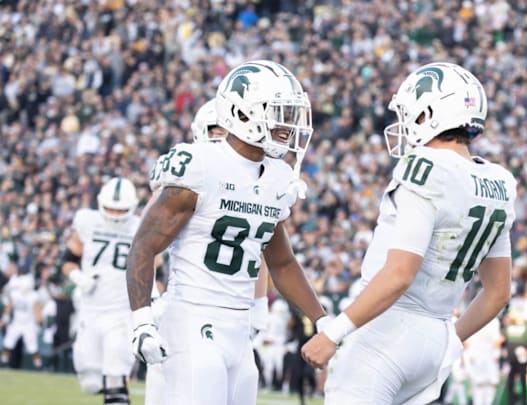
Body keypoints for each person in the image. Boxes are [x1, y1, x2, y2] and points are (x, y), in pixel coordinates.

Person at [301, 62, 516, 404]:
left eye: (410, 114)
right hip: (436, 338)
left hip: (387, 331)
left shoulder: (425, 167)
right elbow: (498, 292)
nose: (404, 124)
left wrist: (335, 333)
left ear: (431, 114)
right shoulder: (499, 181)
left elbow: (400, 273)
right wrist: (450, 340)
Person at [126, 60, 327, 405]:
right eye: (279, 112)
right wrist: (142, 320)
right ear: (243, 113)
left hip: (239, 327)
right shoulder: (200, 164)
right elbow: (143, 246)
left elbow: (282, 264)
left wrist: (323, 321)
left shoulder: (278, 177)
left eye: (290, 113)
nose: (288, 124)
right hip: (192, 319)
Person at [142, 97, 232, 405]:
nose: (222, 139)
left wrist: (258, 306)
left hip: (230, 310)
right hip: (184, 303)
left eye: (228, 132)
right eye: (216, 131)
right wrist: (152, 298)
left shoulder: (248, 183)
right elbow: (146, 244)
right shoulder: (187, 178)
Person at [61, 177, 140, 404]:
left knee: (115, 374)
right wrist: (77, 276)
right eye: (111, 209)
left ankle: (118, 392)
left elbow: (155, 268)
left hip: (122, 309)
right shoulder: (87, 222)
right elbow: (68, 260)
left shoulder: (140, 226)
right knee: (90, 383)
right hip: (90, 309)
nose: (115, 214)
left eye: (121, 210)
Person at [0, 269, 43, 369]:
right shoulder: (16, 294)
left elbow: (37, 309)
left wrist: (38, 323)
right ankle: (3, 361)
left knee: (32, 346)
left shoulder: (33, 296)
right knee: (8, 342)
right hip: (17, 322)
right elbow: (10, 306)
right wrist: (5, 318)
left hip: (29, 324)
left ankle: (38, 365)